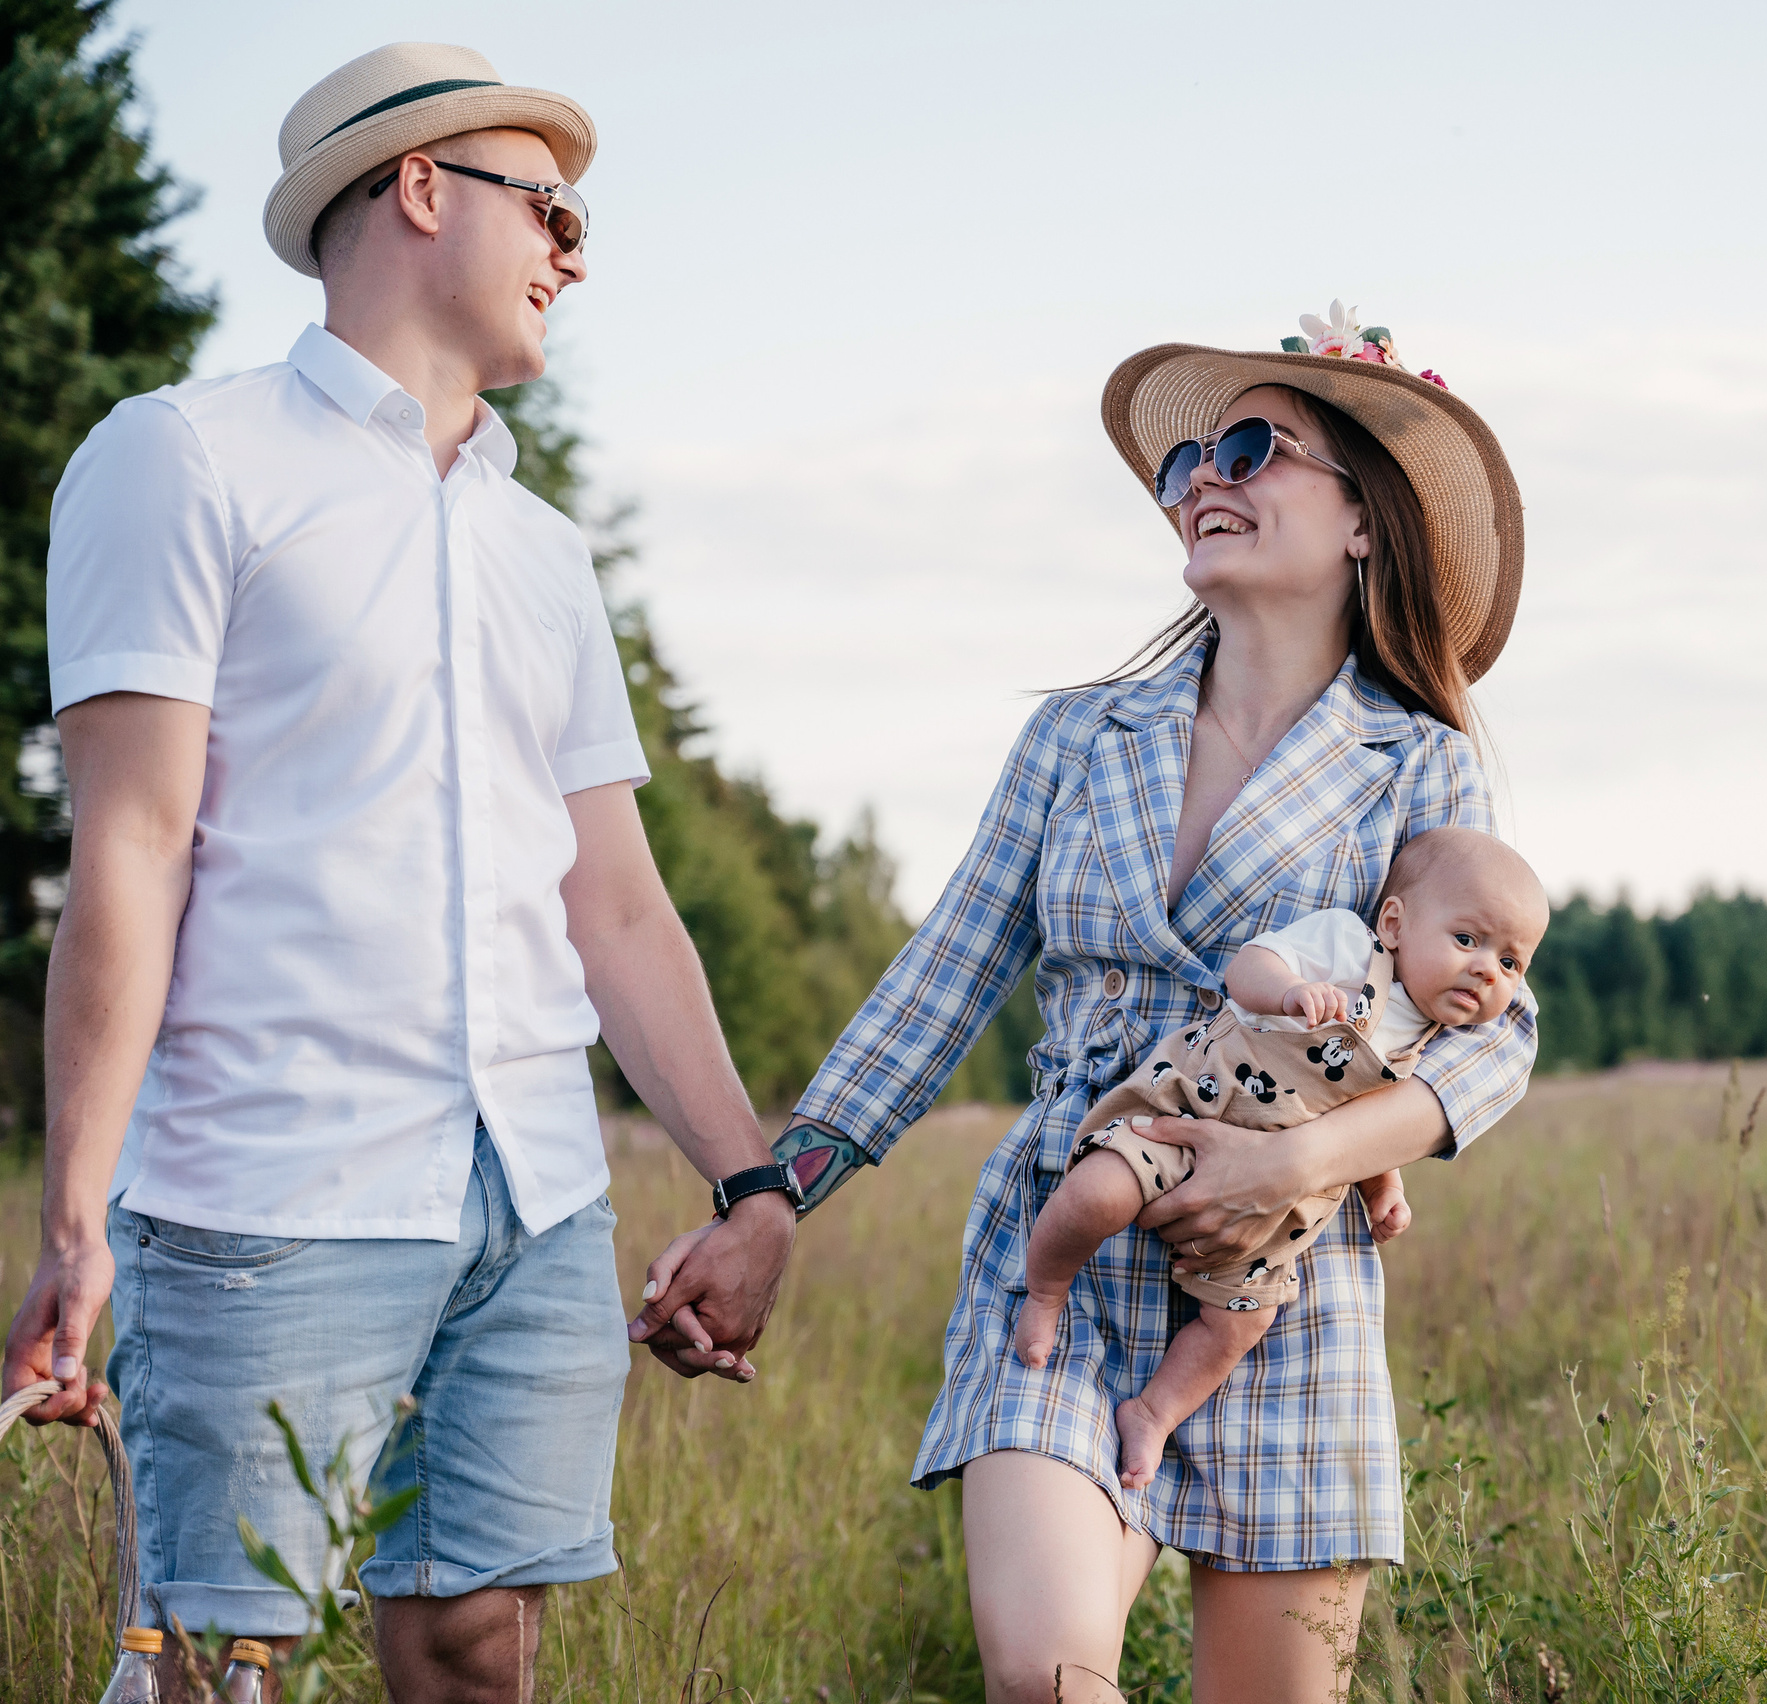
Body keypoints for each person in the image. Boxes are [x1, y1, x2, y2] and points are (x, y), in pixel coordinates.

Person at [0, 44, 792, 1697]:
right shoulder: (181, 458)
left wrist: (751, 1181)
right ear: (422, 187)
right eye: (554, 215)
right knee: (220, 1667)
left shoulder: (543, 547)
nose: (575, 258)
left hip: (536, 1207)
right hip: (271, 1192)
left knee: (477, 1662)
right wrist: (75, 1211)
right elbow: (131, 845)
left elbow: (619, 901)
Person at [631, 304, 1537, 1702]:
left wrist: (1294, 1159)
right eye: (1188, 466)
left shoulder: (1418, 764)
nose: (1204, 480)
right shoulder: (1076, 738)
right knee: (1048, 1678)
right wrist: (766, 1198)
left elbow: (1493, 1038)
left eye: (1252, 448)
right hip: (1064, 1233)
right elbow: (936, 987)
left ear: (1369, 519)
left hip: (1279, 1279)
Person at [1019, 826, 1549, 1493]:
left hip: (1274, 1207)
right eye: (1468, 941)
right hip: (1198, 1108)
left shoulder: (1430, 1045)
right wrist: (1290, 992)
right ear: (1394, 924)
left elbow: (1370, 1127)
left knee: (1240, 1321)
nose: (1486, 970)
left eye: (1511, 964)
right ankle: (1045, 1289)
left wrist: (1386, 1192)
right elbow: (1246, 969)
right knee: (1098, 1193)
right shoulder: (1346, 948)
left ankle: (1153, 1412)